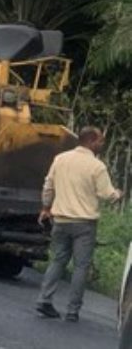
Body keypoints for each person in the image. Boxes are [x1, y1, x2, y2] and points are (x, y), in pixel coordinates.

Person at [36, 126, 123, 322]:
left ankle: (44, 299)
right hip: (84, 224)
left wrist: (45, 207)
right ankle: (73, 310)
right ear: (91, 141)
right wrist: (118, 193)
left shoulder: (61, 159)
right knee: (81, 267)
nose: (102, 144)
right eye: (100, 141)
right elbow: (106, 194)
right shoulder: (96, 166)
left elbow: (48, 186)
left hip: (60, 220)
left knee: (58, 260)